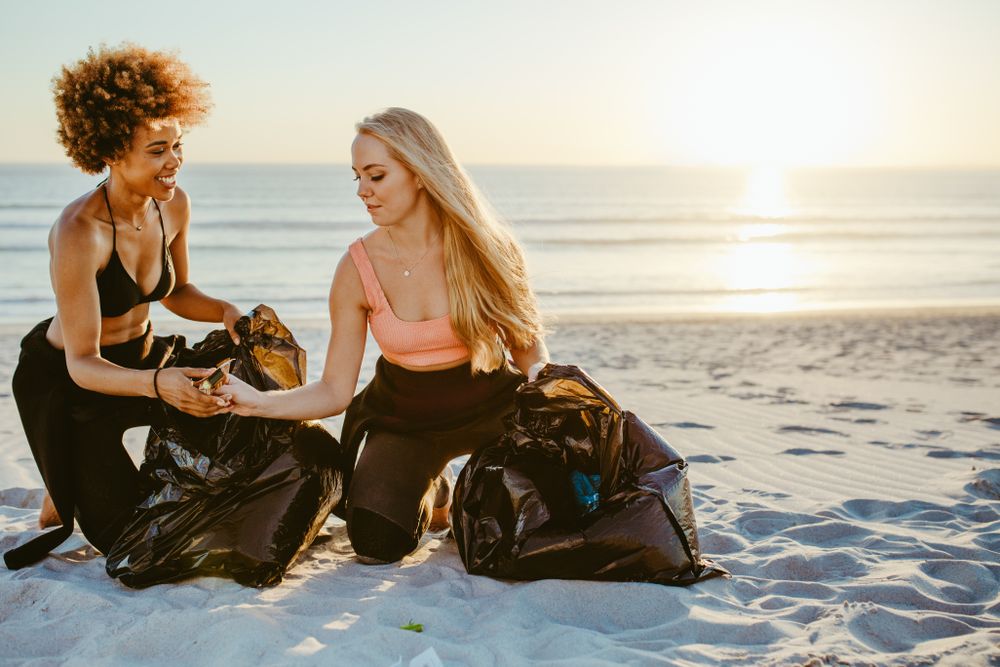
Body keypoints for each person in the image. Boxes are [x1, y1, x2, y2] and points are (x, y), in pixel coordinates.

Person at [222, 108, 550, 564]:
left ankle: (468, 478)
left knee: (505, 526)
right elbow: (335, 390)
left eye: (375, 176)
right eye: (357, 177)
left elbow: (529, 355)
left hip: (493, 410)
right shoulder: (356, 268)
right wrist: (255, 402)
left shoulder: (486, 247)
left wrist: (555, 396)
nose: (362, 192)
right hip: (404, 418)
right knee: (376, 544)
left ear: (419, 172)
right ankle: (433, 484)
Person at [5, 44, 242, 569]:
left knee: (241, 414)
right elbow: (83, 361)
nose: (174, 162)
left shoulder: (173, 204)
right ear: (111, 151)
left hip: (143, 358)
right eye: (157, 150)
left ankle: (68, 478)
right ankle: (62, 476)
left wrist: (228, 311)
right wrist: (162, 386)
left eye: (178, 145)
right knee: (128, 537)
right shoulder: (78, 232)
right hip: (73, 382)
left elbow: (176, 291)